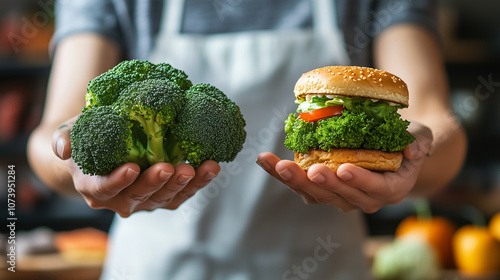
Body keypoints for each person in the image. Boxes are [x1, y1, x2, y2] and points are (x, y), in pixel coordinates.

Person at [28, 0, 467, 279]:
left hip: (325, 268)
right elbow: (51, 136)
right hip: (156, 268)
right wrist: (74, 163)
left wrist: (418, 153)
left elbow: (434, 119)